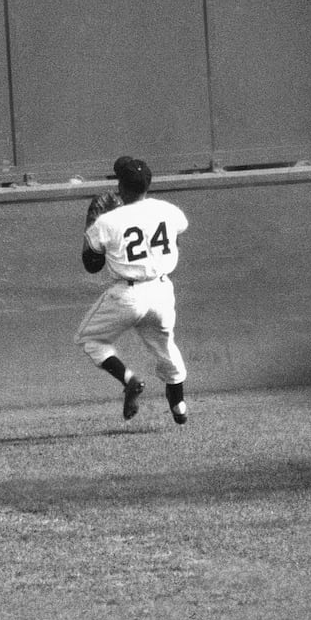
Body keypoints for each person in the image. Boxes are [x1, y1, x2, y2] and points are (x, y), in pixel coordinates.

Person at [77, 157, 191, 425]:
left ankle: (129, 379)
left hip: (128, 294)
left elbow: (91, 265)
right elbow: (176, 237)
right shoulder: (169, 211)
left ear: (121, 187)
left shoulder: (109, 221)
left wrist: (91, 225)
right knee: (166, 350)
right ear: (147, 185)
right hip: (162, 290)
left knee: (90, 340)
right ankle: (179, 406)